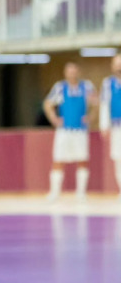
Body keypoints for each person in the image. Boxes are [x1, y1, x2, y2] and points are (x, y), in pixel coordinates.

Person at [43, 62, 96, 202]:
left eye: (74, 71)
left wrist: (91, 116)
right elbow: (48, 103)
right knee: (58, 159)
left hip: (80, 130)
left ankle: (81, 193)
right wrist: (53, 118)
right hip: (64, 130)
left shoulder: (87, 86)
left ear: (78, 72)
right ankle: (55, 192)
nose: (72, 73)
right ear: (65, 73)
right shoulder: (60, 87)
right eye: (69, 71)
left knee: (82, 159)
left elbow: (96, 103)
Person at [99, 54, 121, 200]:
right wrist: (104, 125)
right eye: (117, 64)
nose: (119, 67)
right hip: (117, 126)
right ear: (113, 66)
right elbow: (104, 104)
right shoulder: (108, 83)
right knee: (119, 158)